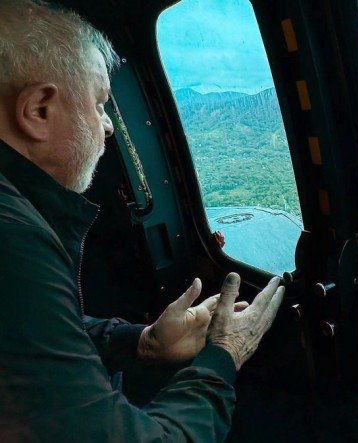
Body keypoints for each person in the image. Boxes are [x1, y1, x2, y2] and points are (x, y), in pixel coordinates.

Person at [0, 0, 284, 440]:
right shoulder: (13, 242)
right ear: (38, 111)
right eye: (98, 104)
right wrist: (223, 355)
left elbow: (34, 344)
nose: (109, 127)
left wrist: (141, 342)